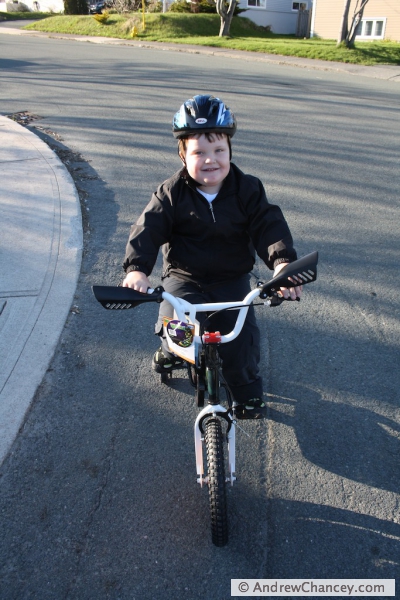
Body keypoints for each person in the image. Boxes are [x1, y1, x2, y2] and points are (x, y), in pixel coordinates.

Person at [122, 94, 302, 419]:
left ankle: (246, 392)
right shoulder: (171, 193)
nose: (211, 160)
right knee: (177, 329)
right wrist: (137, 269)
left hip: (231, 280)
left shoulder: (247, 189)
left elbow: (268, 225)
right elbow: (148, 228)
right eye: (199, 152)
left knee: (240, 341)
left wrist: (283, 264)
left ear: (230, 151)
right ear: (183, 156)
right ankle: (170, 352)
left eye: (219, 150)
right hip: (184, 278)